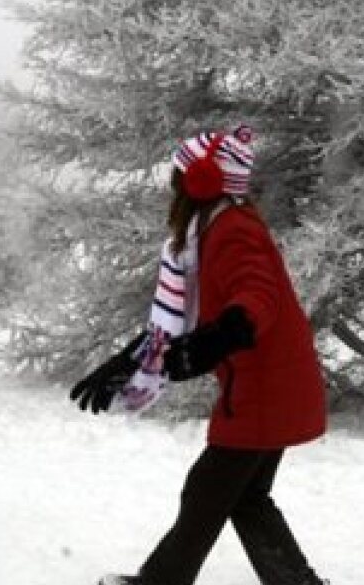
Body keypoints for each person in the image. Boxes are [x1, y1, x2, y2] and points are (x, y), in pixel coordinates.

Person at [70, 126, 328, 585]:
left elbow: (257, 294)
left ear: (202, 182)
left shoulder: (230, 230)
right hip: (275, 385)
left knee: (207, 492)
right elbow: (182, 317)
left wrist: (218, 339)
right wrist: (127, 362)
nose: (174, 182)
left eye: (180, 173)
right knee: (244, 496)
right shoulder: (214, 227)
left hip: (263, 391)